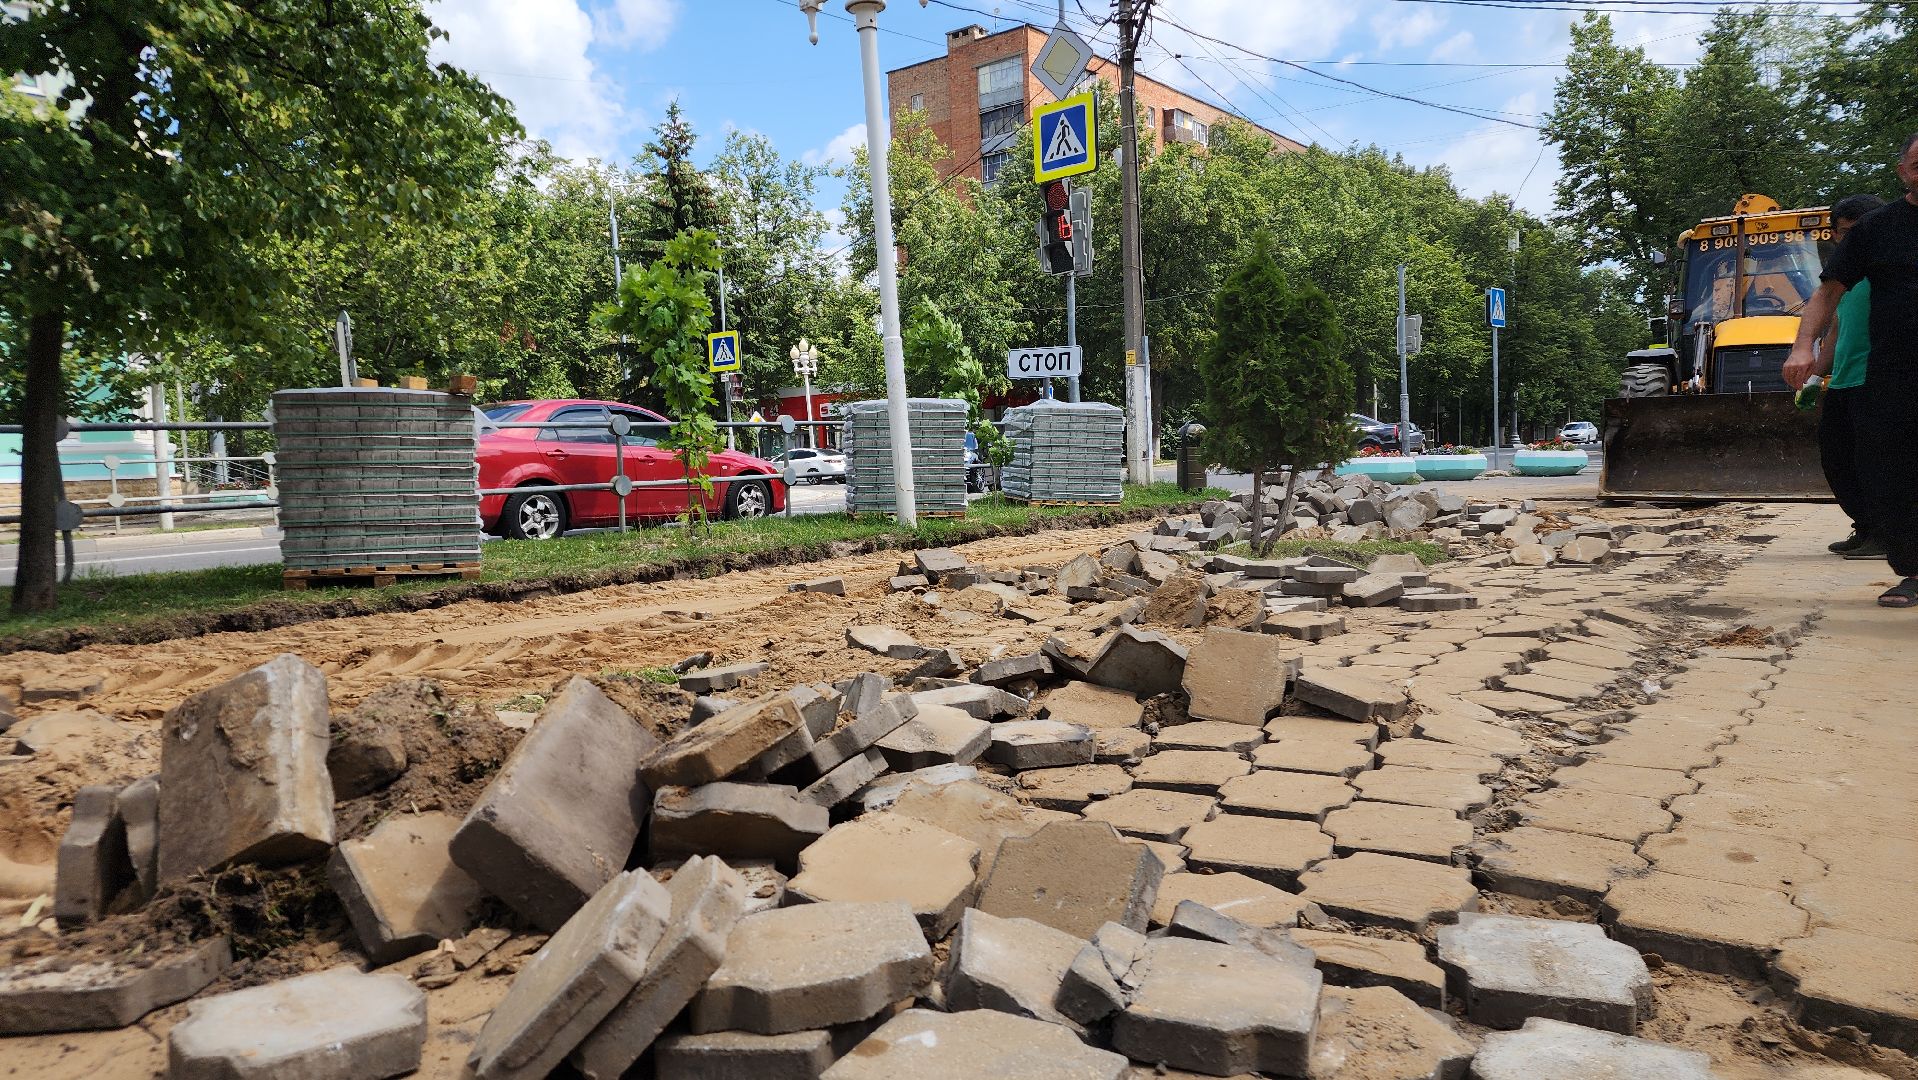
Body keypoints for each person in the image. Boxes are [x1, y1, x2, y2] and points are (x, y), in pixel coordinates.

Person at [1785, 132, 1918, 608]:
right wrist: (1804, 349)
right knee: (1890, 471)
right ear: (1903, 171)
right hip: (1894, 372)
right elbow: (1828, 293)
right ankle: (1913, 570)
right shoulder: (1876, 230)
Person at [1809, 194, 1887, 558]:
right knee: (1837, 458)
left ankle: (1886, 533)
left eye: (1855, 233)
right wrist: (1813, 374)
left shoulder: (1892, 269)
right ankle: (1866, 525)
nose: (1849, 241)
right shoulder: (1843, 279)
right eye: (1842, 235)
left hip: (1881, 378)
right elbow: (1837, 329)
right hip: (1844, 380)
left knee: (1877, 461)